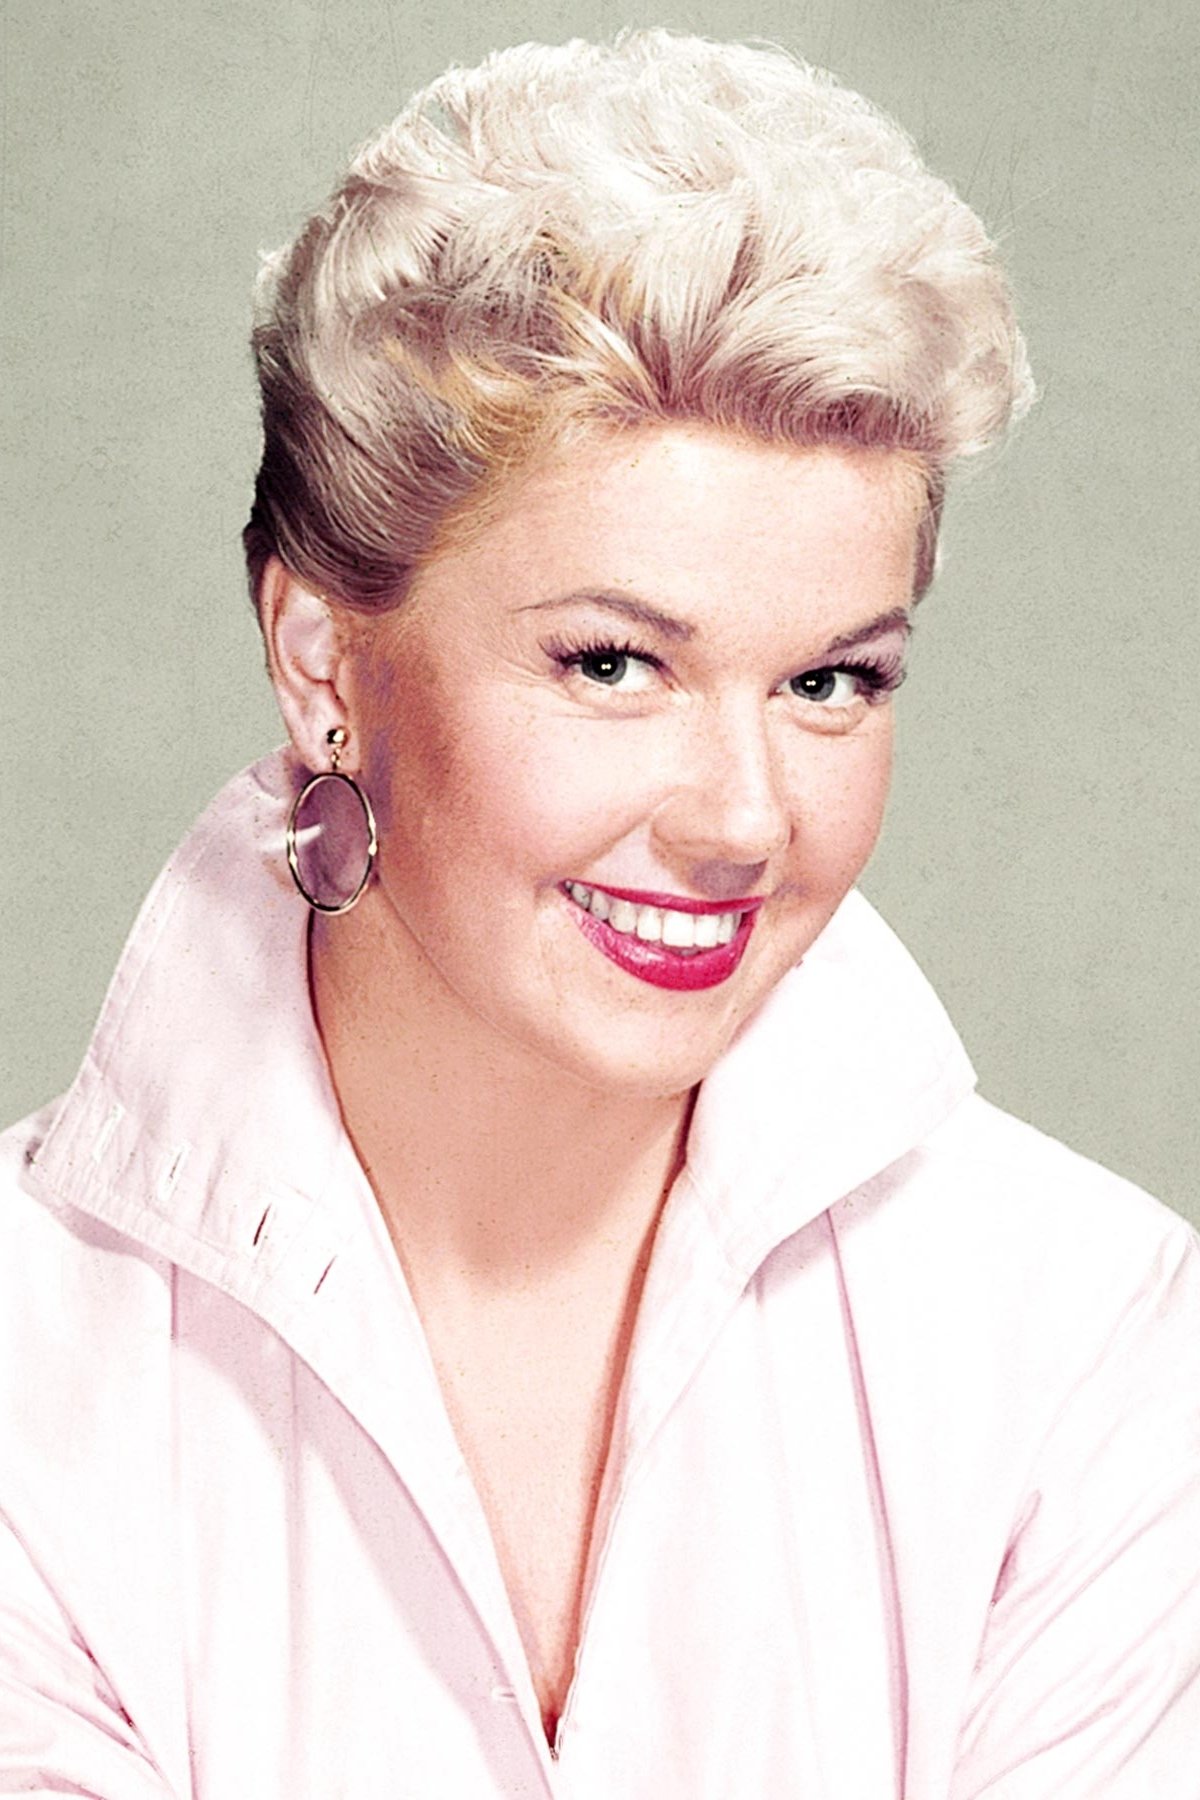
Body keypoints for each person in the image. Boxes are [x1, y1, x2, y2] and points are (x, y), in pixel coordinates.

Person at [1, 27, 1196, 1797]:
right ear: (323, 660)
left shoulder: (1081, 1335)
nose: (742, 821)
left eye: (833, 683)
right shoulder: (26, 1374)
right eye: (614, 663)